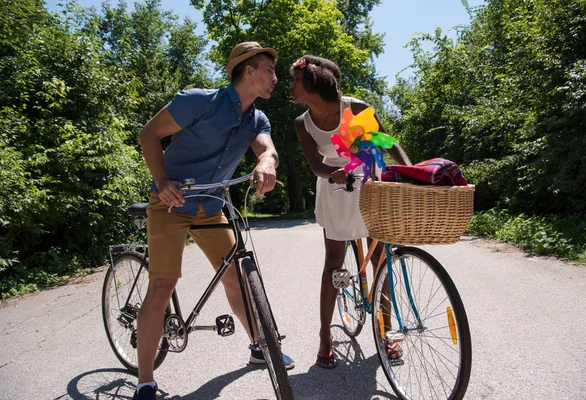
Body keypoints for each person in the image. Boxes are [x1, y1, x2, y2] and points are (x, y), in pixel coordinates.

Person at [133, 42, 294, 400]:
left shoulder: (257, 119)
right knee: (163, 285)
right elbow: (149, 133)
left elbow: (267, 149)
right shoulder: (198, 101)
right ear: (248, 71)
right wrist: (161, 182)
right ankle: (145, 382)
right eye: (268, 69)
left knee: (238, 277)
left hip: (210, 204)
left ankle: (259, 346)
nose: (275, 77)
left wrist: (267, 162)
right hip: (170, 203)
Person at [289, 55, 411, 369]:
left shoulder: (354, 108)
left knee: (381, 261)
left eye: (295, 81)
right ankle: (325, 337)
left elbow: (386, 143)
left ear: (312, 86)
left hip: (369, 182)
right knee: (332, 261)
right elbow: (315, 164)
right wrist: (332, 172)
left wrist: (410, 172)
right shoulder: (302, 123)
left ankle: (386, 332)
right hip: (334, 187)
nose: (290, 87)